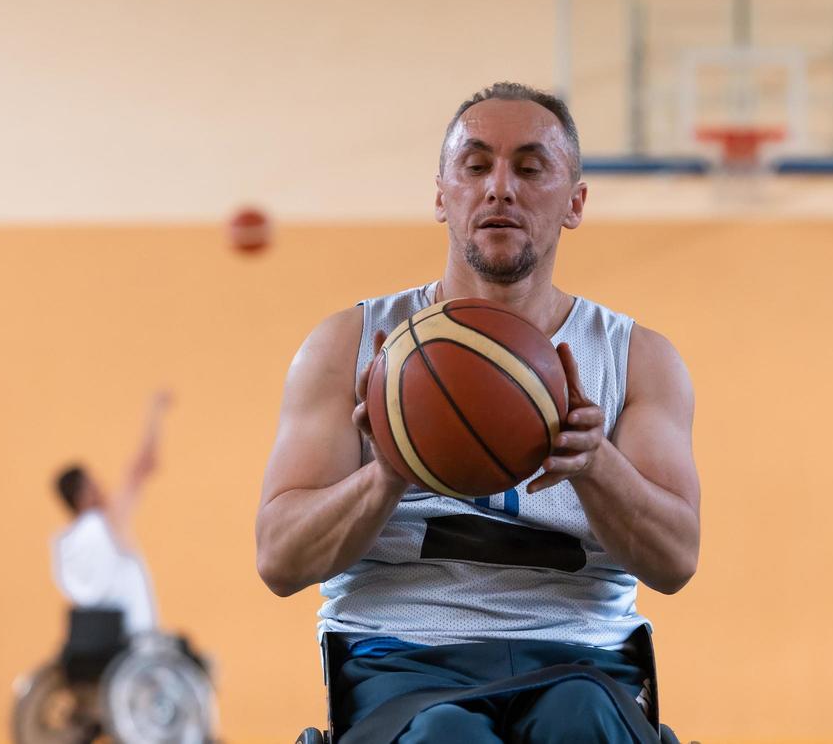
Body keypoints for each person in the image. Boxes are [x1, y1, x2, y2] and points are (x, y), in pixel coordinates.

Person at [256, 83, 700, 743]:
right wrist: (387, 472)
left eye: (529, 166)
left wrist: (594, 461)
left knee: (579, 721)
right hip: (400, 653)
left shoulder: (637, 358)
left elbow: (675, 561)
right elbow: (281, 560)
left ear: (574, 202)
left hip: (582, 654)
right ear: (442, 194)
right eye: (475, 165)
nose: (499, 188)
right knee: (445, 737)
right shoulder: (350, 344)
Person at [52, 389, 170, 635]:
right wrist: (155, 411)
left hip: (98, 638)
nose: (103, 488)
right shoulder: (103, 524)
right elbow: (141, 466)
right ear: (84, 496)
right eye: (94, 484)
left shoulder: (65, 544)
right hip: (134, 636)